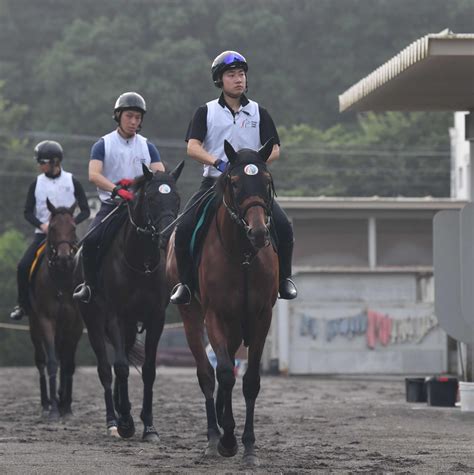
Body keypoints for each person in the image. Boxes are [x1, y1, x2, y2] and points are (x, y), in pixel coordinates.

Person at [170, 50, 298, 305]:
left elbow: (274, 149)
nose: (239, 79)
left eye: (241, 74)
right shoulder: (205, 112)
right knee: (183, 229)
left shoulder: (260, 112)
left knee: (283, 227)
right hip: (215, 182)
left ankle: (284, 279)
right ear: (220, 80)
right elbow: (192, 147)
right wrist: (217, 161)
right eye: (231, 75)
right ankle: (185, 284)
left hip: (252, 185)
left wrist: (254, 163)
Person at [72, 91, 165, 303]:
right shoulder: (103, 144)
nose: (134, 122)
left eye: (138, 118)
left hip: (140, 207)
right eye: (129, 116)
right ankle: (89, 285)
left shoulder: (147, 146)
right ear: (118, 116)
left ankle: (171, 283)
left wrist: (136, 186)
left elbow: (159, 174)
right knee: (92, 240)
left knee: (166, 237)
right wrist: (116, 189)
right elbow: (93, 174)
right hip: (113, 205)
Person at [9, 140, 90, 320]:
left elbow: (85, 210)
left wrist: (70, 225)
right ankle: (22, 305)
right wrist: (42, 225)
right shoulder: (36, 184)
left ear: (55, 162)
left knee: (90, 263)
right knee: (23, 266)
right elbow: (27, 212)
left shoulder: (72, 181)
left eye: (42, 162)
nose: (39, 165)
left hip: (68, 238)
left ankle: (92, 300)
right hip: (43, 236)